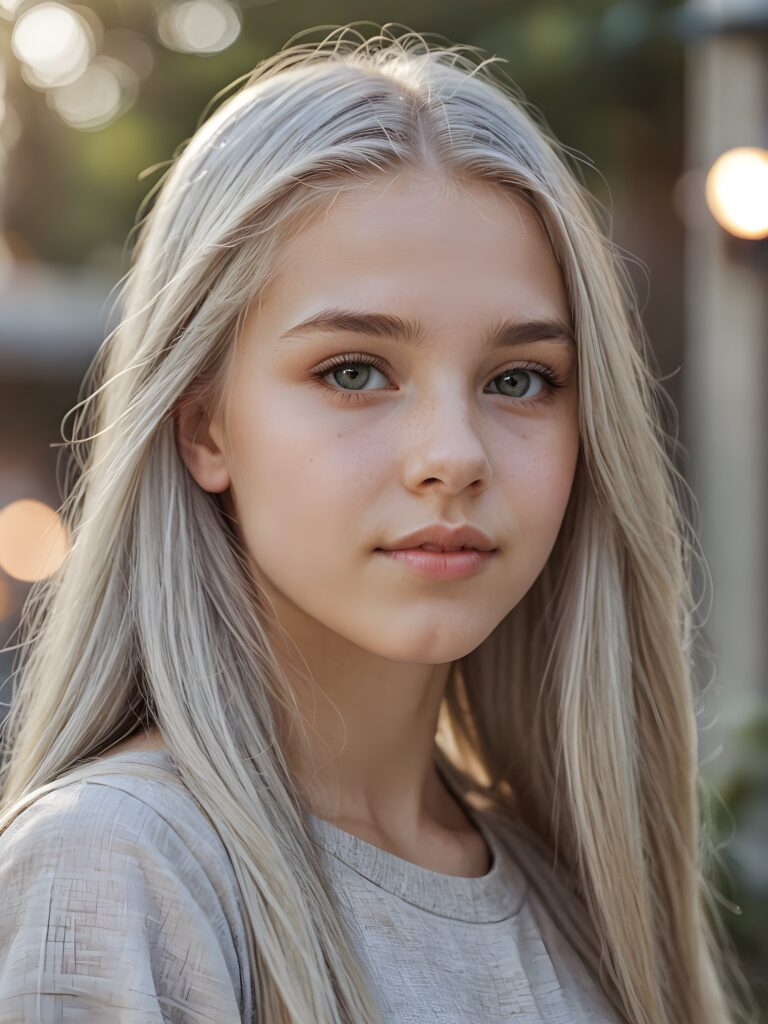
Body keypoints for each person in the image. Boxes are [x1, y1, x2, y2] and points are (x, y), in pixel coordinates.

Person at [0, 23, 753, 1024]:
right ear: (205, 427)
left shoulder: (582, 898)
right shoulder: (118, 871)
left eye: (519, 379)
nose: (454, 453)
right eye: (354, 370)